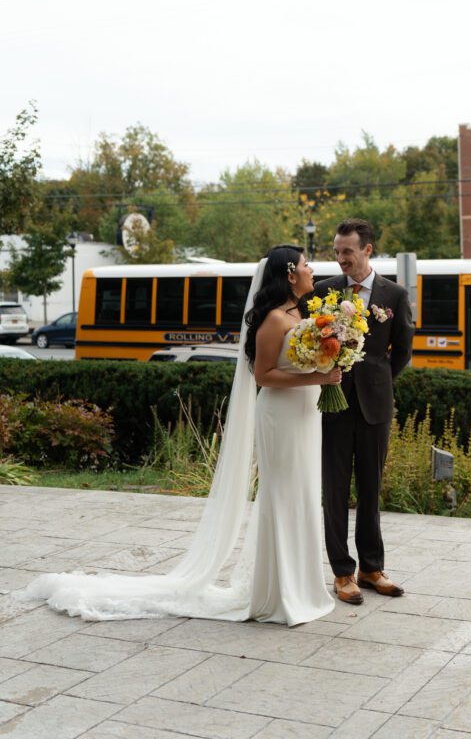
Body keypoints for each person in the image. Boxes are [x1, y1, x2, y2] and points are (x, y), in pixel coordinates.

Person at [16, 246, 337, 627]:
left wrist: (331, 361)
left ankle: (301, 585)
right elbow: (264, 376)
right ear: (288, 274)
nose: (311, 270)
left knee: (302, 493)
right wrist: (320, 376)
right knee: (282, 495)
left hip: (304, 415)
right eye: (305, 265)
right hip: (280, 416)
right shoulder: (271, 320)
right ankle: (280, 593)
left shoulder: (300, 314)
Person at [315, 218, 415, 605]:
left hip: (376, 405)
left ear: (367, 250)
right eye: (337, 252)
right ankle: (342, 572)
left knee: (371, 489)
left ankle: (371, 569)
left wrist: (378, 378)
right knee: (335, 490)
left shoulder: (394, 295)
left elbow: (403, 351)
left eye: (347, 252)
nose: (341, 259)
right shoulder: (324, 292)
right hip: (333, 404)